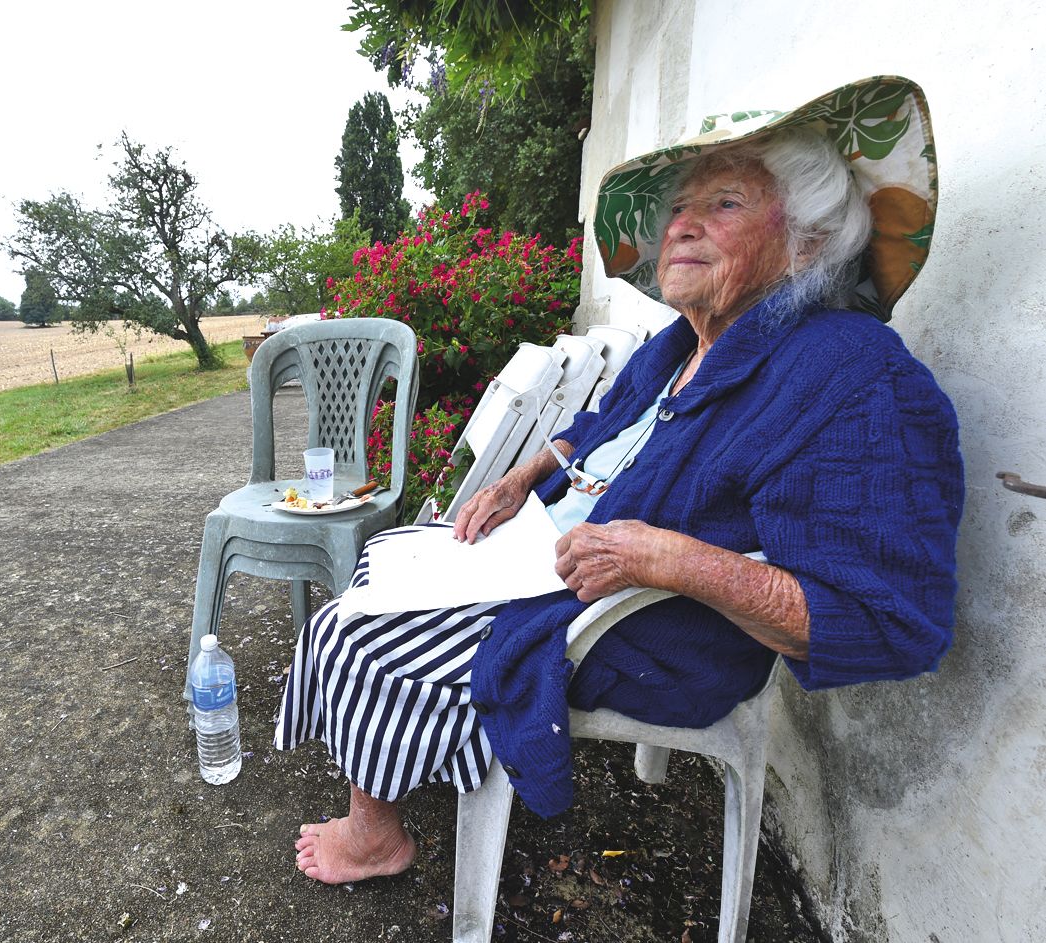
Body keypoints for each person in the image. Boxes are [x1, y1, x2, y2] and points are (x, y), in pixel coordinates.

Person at [274, 76, 962, 885]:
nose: (682, 226)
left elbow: (888, 617)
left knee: (358, 635)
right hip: (558, 554)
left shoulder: (849, 373)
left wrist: (670, 560)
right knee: (384, 556)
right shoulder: (679, 343)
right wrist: (525, 476)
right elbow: (600, 435)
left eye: (726, 204)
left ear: (807, 242)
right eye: (678, 208)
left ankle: (375, 834)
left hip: (645, 632)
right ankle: (399, 758)